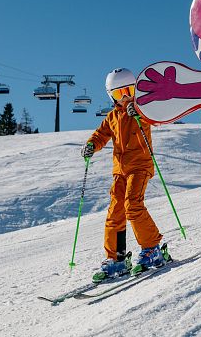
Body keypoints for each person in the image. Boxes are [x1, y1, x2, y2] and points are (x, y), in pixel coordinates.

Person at [81, 68, 171, 283]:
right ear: (111, 95)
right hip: (120, 170)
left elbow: (154, 119)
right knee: (115, 212)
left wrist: (138, 113)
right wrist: (92, 144)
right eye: (119, 93)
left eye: (129, 90)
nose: (126, 97)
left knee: (133, 204)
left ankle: (152, 248)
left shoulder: (142, 108)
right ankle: (117, 259)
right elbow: (101, 133)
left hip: (140, 166)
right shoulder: (112, 116)